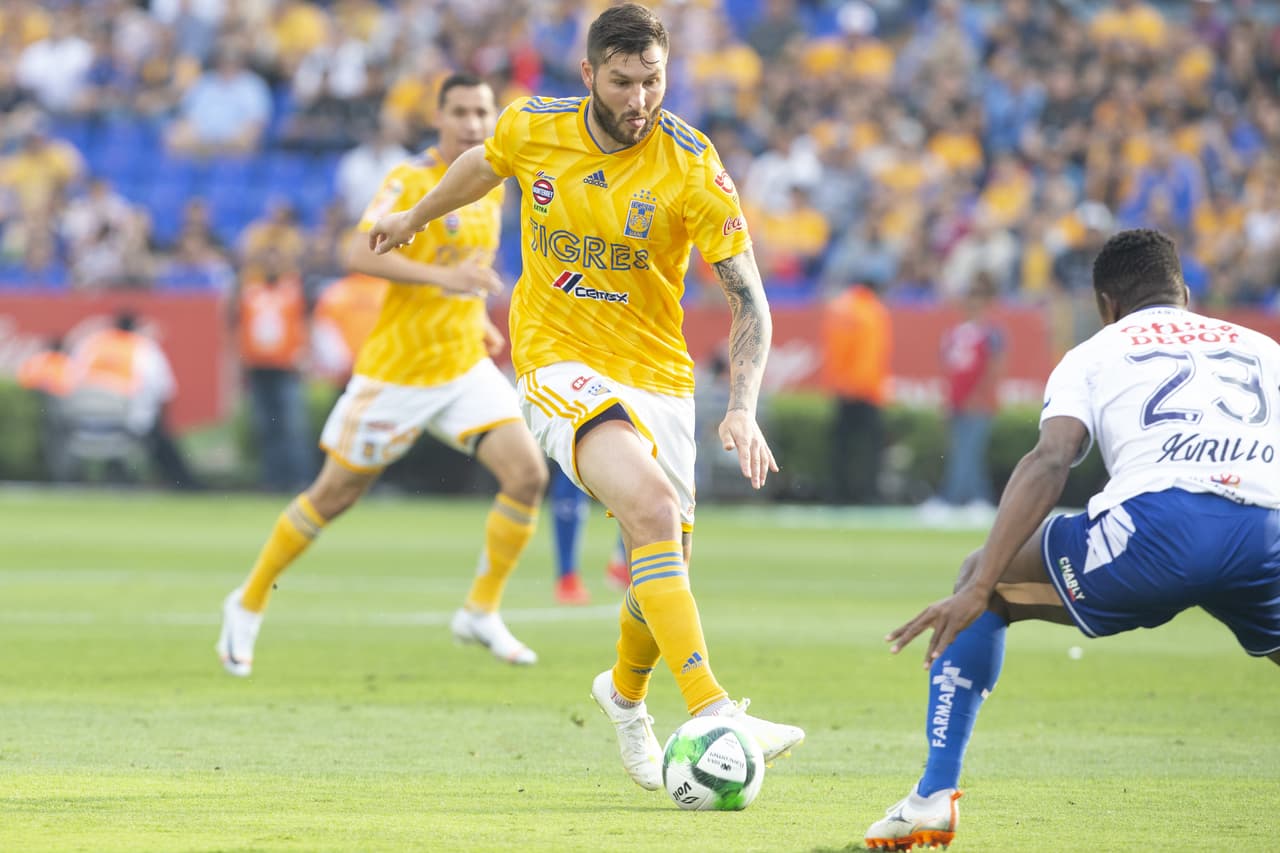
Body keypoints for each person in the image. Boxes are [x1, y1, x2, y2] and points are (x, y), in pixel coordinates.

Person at [367, 3, 804, 791]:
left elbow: (750, 301)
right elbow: (480, 165)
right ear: (590, 75)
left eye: (654, 81)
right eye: (624, 81)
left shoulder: (693, 166)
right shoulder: (535, 127)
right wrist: (414, 214)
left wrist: (741, 405)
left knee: (660, 559)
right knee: (651, 511)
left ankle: (626, 698)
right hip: (556, 359)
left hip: (660, 376)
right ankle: (710, 710)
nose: (641, 99)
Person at [864, 229, 1280, 851]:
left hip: (1156, 530)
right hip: (1265, 531)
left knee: (990, 583)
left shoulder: (1096, 350)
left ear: (1105, 304)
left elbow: (1052, 458)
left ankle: (932, 798)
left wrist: (978, 586)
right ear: (1186, 294)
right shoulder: (1262, 348)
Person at [216, 74, 548, 677]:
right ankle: (249, 598)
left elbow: (470, 267)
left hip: (462, 364)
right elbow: (357, 253)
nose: (474, 124)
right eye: (461, 112)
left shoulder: (494, 180)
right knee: (333, 496)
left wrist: (475, 319)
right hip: (397, 373)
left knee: (527, 475)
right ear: (439, 117)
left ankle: (481, 609)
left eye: (483, 112)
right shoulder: (410, 179)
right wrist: (445, 282)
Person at [68, 310, 200, 489]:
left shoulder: (92, 344)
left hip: (84, 424)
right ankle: (183, 483)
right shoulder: (143, 348)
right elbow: (163, 389)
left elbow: (71, 378)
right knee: (161, 439)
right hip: (128, 422)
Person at [232, 246, 313, 493]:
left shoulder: (294, 290)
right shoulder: (250, 292)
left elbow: (305, 323)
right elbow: (238, 326)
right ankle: (272, 480)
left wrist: (304, 354)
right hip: (258, 367)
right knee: (266, 427)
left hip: (286, 366)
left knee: (292, 426)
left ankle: (301, 480)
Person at [822, 278, 891, 504]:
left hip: (843, 389)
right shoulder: (874, 311)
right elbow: (871, 357)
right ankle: (868, 494)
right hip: (867, 391)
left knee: (841, 448)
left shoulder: (839, 308)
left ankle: (838, 494)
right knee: (870, 449)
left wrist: (841, 383)